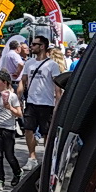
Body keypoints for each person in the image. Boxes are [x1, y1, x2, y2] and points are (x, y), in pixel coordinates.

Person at [19, 34, 63, 164]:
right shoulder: (29, 63)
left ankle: (47, 158)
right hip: (32, 102)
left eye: (34, 44)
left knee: (46, 132)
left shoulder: (52, 65)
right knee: (28, 129)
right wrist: (18, 97)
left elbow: (57, 87)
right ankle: (31, 157)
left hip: (46, 103)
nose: (31, 47)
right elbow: (23, 81)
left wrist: (57, 104)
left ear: (42, 46)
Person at [0, 69, 24, 188]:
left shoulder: (12, 96)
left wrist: (9, 107)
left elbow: (19, 114)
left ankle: (17, 172)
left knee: (9, 155)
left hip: (8, 129)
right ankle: (0, 180)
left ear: (4, 82)